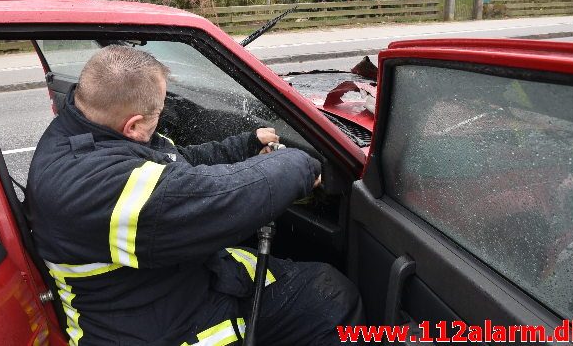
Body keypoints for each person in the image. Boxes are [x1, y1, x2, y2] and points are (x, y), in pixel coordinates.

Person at [26, 45, 363, 345]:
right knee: (330, 298)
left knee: (320, 282)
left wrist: (243, 145)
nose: (161, 118)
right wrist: (301, 164)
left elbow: (176, 162)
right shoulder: (95, 185)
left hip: (158, 284)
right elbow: (223, 198)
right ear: (133, 125)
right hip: (154, 325)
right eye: (159, 112)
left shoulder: (88, 131)